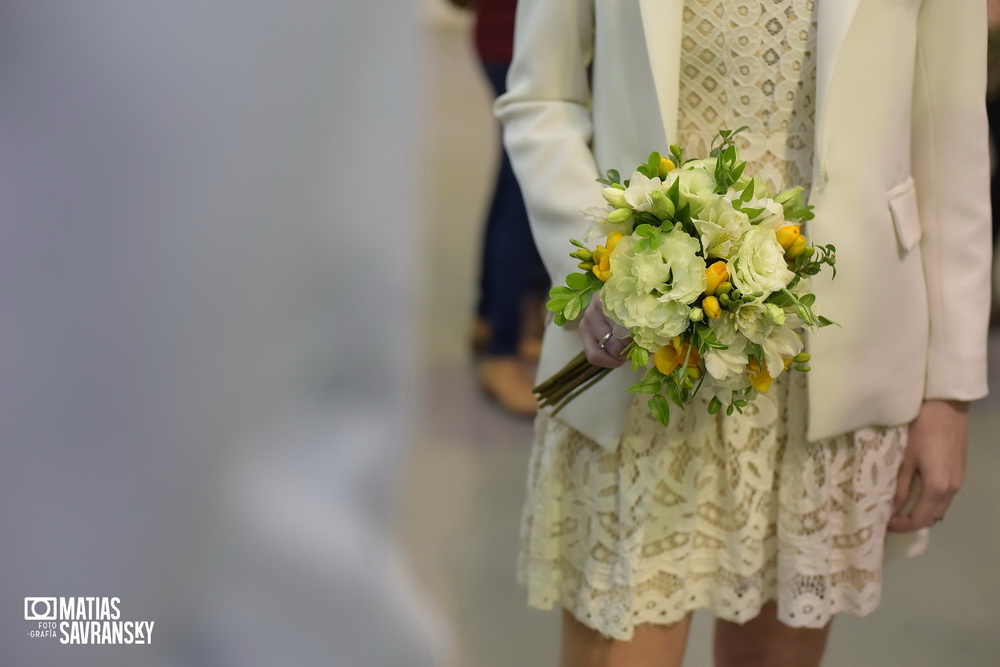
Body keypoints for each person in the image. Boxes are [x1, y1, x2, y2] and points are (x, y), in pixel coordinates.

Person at [495, 1, 990, 666]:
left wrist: (948, 389)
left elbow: (950, 140)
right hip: (643, 350)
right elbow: (540, 97)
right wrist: (600, 257)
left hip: (825, 362)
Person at [453, 0, 550, 417]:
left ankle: (491, 317)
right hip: (520, 39)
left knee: (514, 180)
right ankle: (501, 350)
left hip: (515, 35)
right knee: (524, 188)